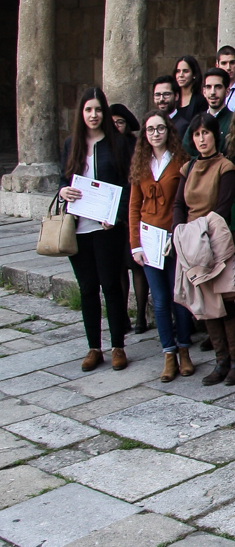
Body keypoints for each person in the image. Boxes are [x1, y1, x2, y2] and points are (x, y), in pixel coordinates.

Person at [59, 88, 135, 371]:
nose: (94, 115)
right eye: (89, 110)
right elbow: (62, 178)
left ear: (105, 113)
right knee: (87, 288)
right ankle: (93, 347)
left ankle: (118, 346)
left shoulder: (118, 143)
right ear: (81, 114)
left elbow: (129, 184)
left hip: (106, 227)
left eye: (98, 110)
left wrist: (115, 215)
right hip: (78, 227)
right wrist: (63, 190)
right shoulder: (72, 144)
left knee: (111, 286)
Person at [172, 116, 235, 384]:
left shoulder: (226, 167)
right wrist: (178, 232)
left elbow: (223, 207)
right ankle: (221, 361)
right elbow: (179, 204)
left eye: (206, 133)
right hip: (192, 243)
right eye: (196, 134)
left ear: (216, 136)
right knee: (205, 304)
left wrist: (200, 233)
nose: (202, 138)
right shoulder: (188, 168)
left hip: (216, 240)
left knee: (225, 301)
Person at [128, 111, 190, 380]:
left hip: (172, 236)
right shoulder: (141, 163)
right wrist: (135, 245)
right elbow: (133, 206)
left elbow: (187, 201)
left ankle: (185, 351)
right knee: (161, 300)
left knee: (179, 298)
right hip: (149, 239)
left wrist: (179, 235)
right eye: (150, 129)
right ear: (145, 134)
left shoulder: (180, 161)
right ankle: (168, 353)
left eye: (160, 128)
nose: (155, 133)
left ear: (168, 131)